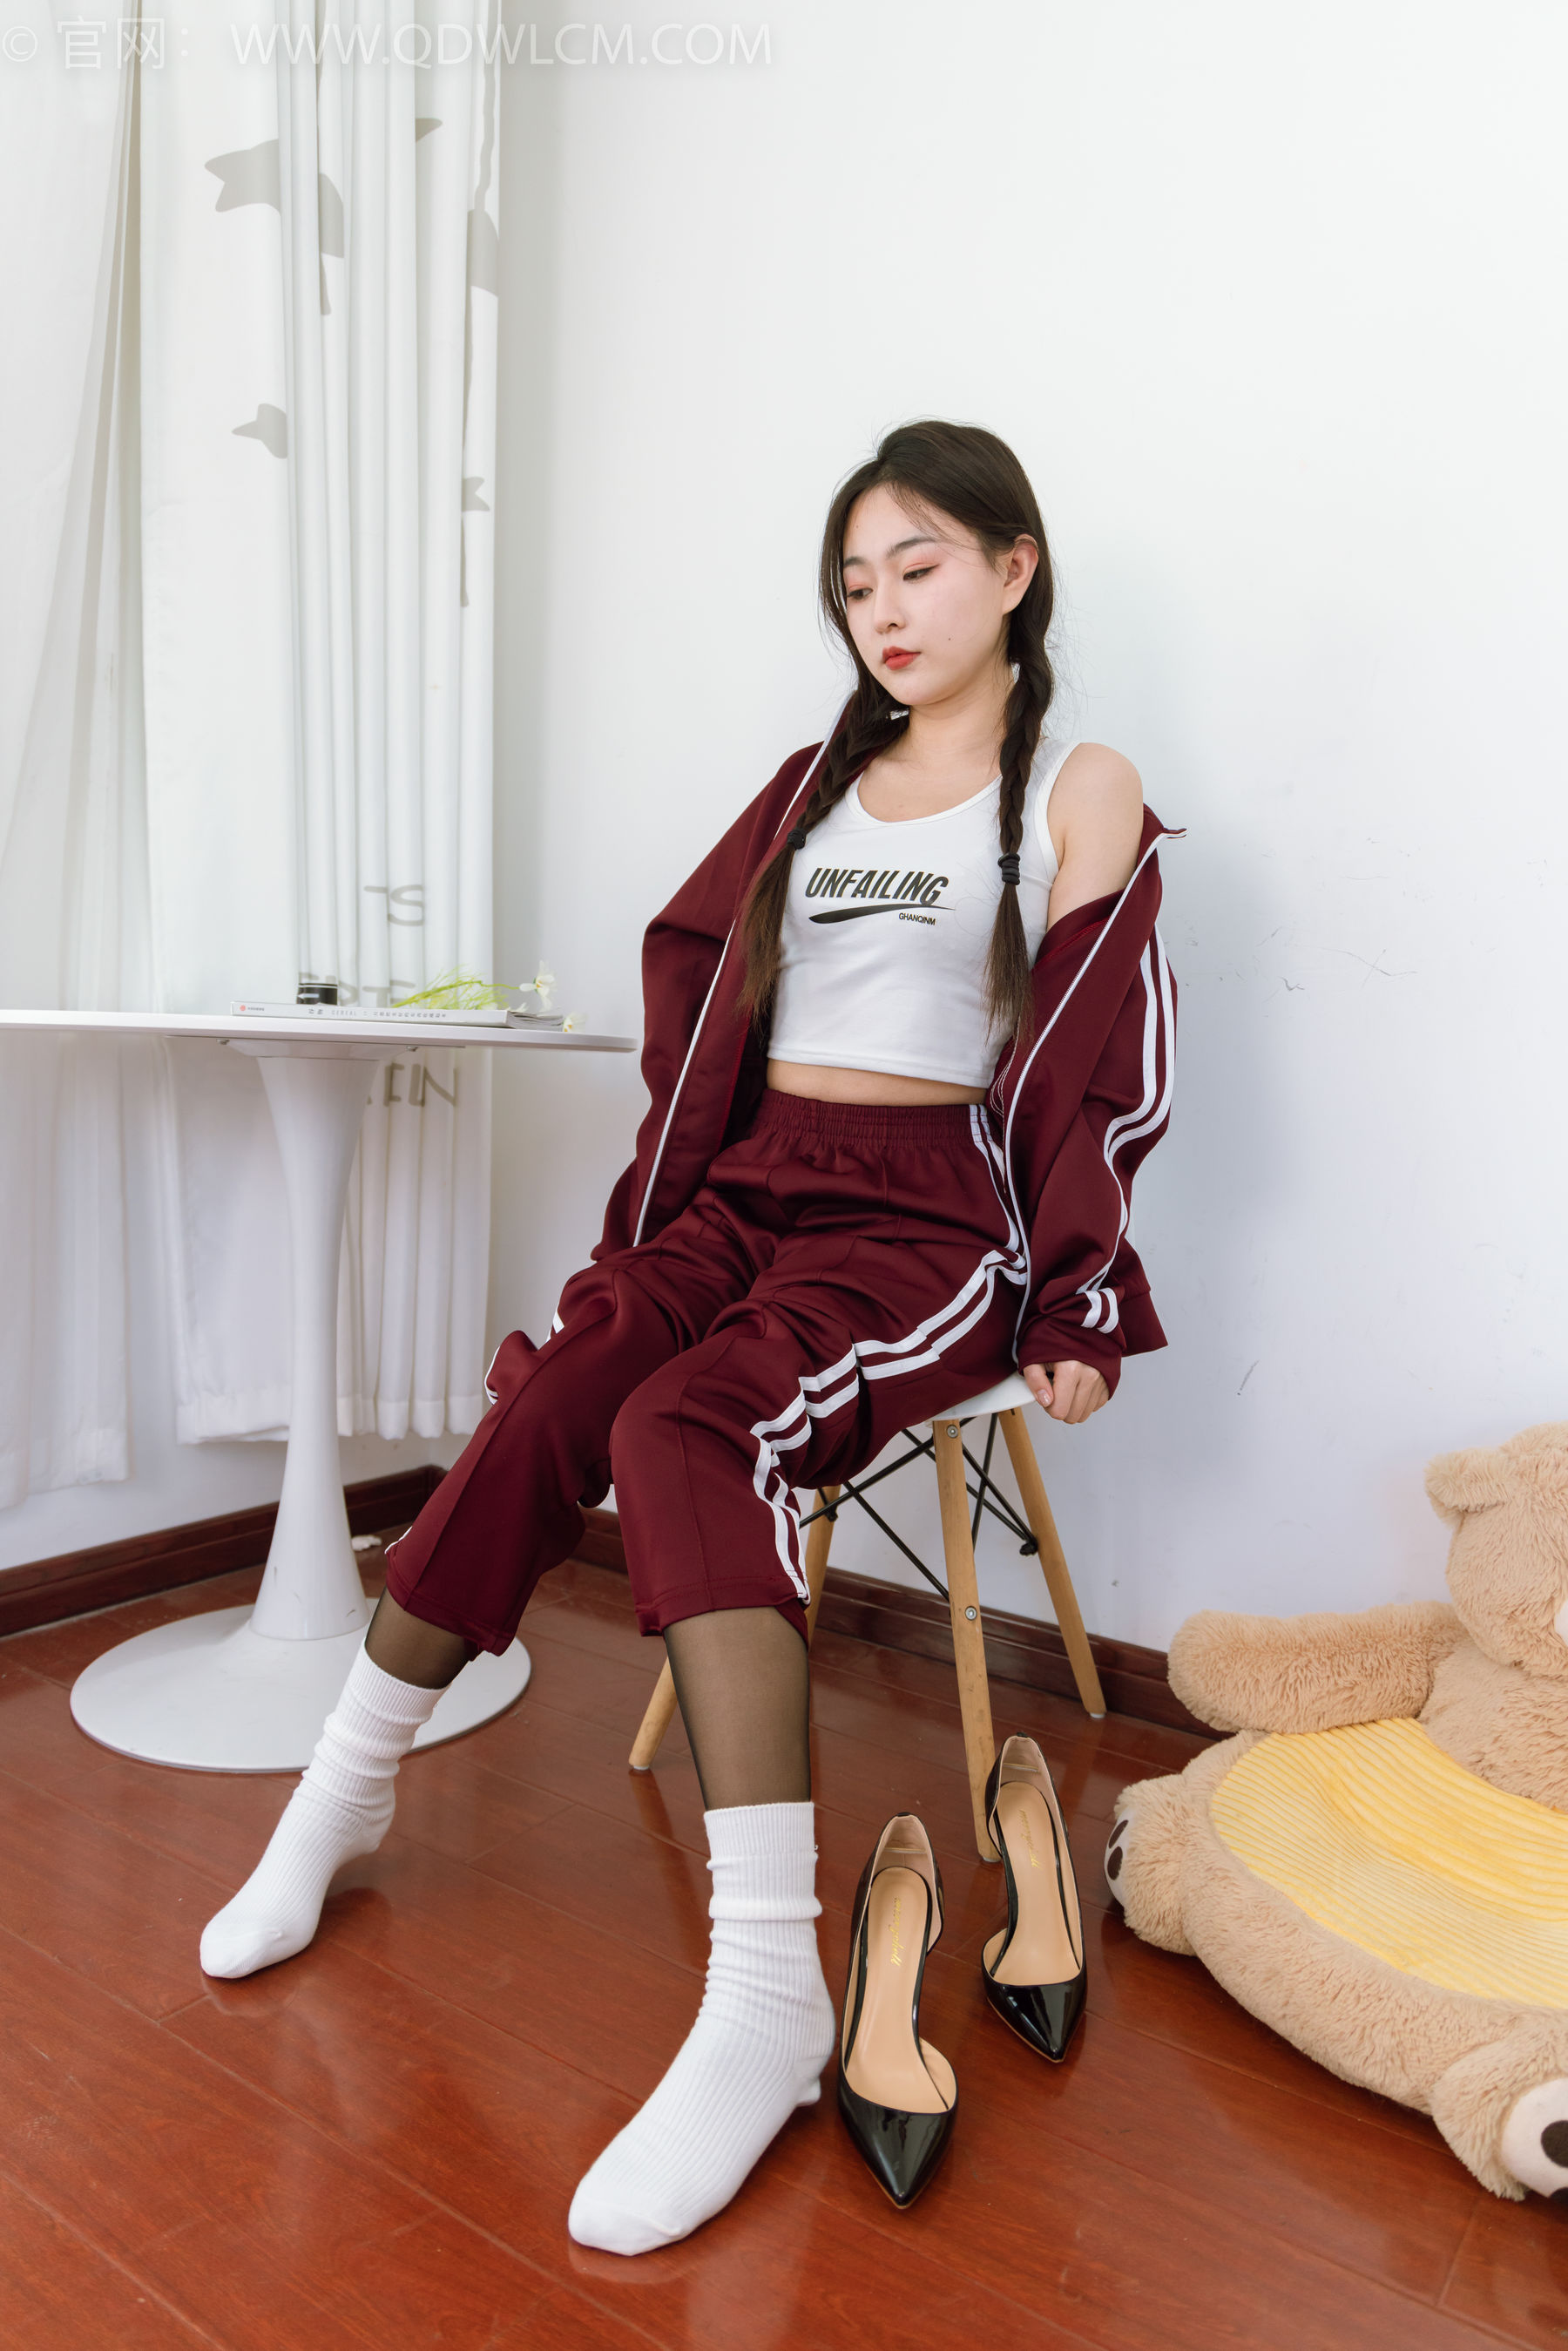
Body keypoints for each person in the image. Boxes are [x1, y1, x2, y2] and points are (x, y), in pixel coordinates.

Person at [199, 418, 1178, 2253]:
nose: (885, 607)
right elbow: (707, 994)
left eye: (920, 565)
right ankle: (340, 1794)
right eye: (856, 582)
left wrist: (1075, 1293)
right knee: (563, 1392)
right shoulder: (816, 780)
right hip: (749, 1182)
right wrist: (651, 1233)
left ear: (1014, 567)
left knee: (686, 1429)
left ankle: (767, 1992)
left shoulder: (1073, 782)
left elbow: (1088, 1054)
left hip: (920, 1219)